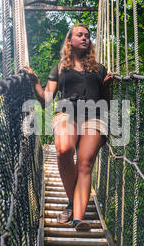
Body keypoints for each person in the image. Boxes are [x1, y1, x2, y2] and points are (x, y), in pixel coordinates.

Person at [25, 24, 114, 229]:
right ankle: (74, 201)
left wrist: (107, 86)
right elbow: (46, 100)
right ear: (69, 41)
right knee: (64, 150)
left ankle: (78, 218)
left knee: (84, 164)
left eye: (87, 36)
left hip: (95, 115)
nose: (85, 38)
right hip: (66, 113)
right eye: (80, 35)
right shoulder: (59, 69)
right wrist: (35, 82)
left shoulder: (100, 69)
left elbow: (107, 102)